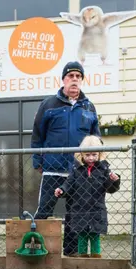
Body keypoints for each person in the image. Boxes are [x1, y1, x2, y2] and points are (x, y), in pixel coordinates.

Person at [30, 61, 101, 256]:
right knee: (44, 209)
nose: (75, 80)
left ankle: (70, 253)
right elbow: (37, 136)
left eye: (78, 77)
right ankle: (36, 249)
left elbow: (96, 139)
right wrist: (38, 161)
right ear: (63, 79)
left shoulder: (89, 107)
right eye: (71, 76)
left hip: (79, 172)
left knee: (74, 214)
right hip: (52, 168)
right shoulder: (48, 104)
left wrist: (96, 163)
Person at [54, 135, 120, 258]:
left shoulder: (104, 169)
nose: (91, 158)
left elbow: (109, 188)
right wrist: (62, 190)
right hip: (80, 209)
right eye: (87, 155)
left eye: (94, 154)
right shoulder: (76, 170)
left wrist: (113, 180)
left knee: (95, 236)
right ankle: (83, 258)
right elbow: (69, 183)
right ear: (81, 155)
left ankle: (96, 258)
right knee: (82, 235)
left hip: (96, 208)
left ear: (100, 154)